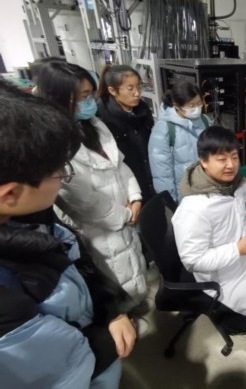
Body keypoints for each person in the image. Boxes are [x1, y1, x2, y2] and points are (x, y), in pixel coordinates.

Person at [0, 79, 137, 388]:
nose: (63, 178)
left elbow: (75, 264)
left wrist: (111, 310)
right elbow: (62, 370)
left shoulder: (29, 219)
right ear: (10, 194)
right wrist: (105, 340)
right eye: (58, 172)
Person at [35, 61, 148, 302]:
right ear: (61, 97)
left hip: (126, 214)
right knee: (114, 289)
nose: (90, 102)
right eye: (84, 96)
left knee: (135, 275)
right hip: (99, 229)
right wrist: (125, 215)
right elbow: (83, 201)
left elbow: (120, 164)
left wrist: (136, 197)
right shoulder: (54, 143)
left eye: (91, 94)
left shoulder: (95, 125)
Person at [172, 125, 246, 337]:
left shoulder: (230, 184)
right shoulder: (193, 208)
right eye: (221, 159)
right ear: (203, 161)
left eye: (234, 157)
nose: (231, 165)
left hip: (243, 254)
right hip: (220, 272)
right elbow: (193, 260)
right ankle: (225, 318)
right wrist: (237, 249)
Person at [97, 64, 155, 203]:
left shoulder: (143, 109)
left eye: (139, 87)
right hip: (126, 189)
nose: (137, 93)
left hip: (149, 179)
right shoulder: (102, 117)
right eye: (130, 89)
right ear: (113, 90)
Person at [148, 79, 211, 202]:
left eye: (199, 103)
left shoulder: (205, 121)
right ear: (177, 105)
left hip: (208, 191)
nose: (197, 108)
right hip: (184, 198)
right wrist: (171, 202)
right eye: (191, 106)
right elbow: (162, 174)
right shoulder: (164, 130)